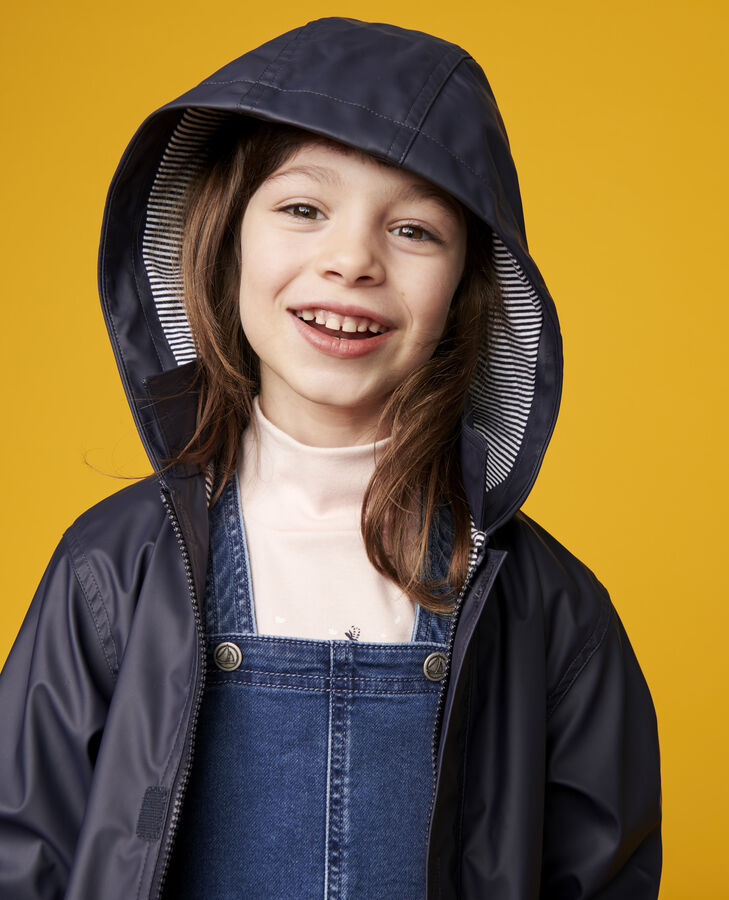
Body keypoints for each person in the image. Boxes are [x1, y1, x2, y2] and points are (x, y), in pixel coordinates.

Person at [0, 16, 662, 900]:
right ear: (226, 241)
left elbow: (603, 872)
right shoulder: (111, 569)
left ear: (469, 290)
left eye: (415, 230)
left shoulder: (546, 608)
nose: (351, 260)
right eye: (303, 209)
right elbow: (21, 855)